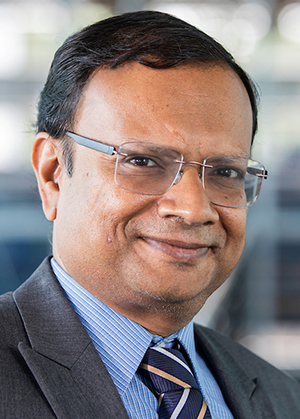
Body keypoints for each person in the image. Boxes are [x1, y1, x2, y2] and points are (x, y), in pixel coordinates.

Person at [1, 10, 299, 419]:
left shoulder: (281, 396)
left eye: (226, 172)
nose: (193, 209)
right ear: (53, 174)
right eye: (142, 162)